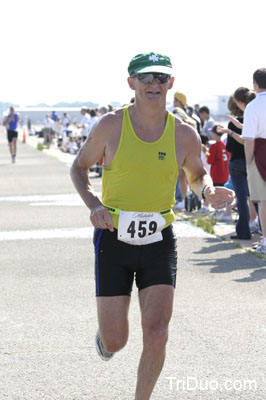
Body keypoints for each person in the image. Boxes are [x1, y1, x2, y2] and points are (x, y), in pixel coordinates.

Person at [70, 51, 234, 400]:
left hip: (160, 238)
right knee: (117, 340)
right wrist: (94, 205)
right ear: (131, 82)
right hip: (113, 237)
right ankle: (105, 338)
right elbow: (79, 167)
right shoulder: (111, 125)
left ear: (171, 83)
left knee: (157, 331)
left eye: (161, 78)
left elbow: (196, 174)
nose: (154, 84)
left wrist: (207, 192)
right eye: (146, 77)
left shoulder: (184, 134)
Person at [242, 69, 266, 254]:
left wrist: (248, 162)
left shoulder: (253, 105)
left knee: (263, 200)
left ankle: (265, 240)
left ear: (255, 84)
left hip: (260, 152)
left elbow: (249, 139)